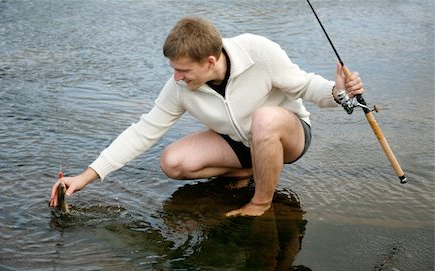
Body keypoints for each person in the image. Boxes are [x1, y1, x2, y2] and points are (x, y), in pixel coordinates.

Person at [49, 16, 364, 217]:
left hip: (287, 136)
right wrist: (86, 177)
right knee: (172, 161)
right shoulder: (180, 87)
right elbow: (142, 132)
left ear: (210, 61)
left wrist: (340, 92)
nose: (176, 78)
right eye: (174, 69)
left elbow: (307, 86)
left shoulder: (258, 51)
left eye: (183, 70)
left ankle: (261, 203)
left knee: (265, 118)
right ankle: (250, 170)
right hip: (239, 143)